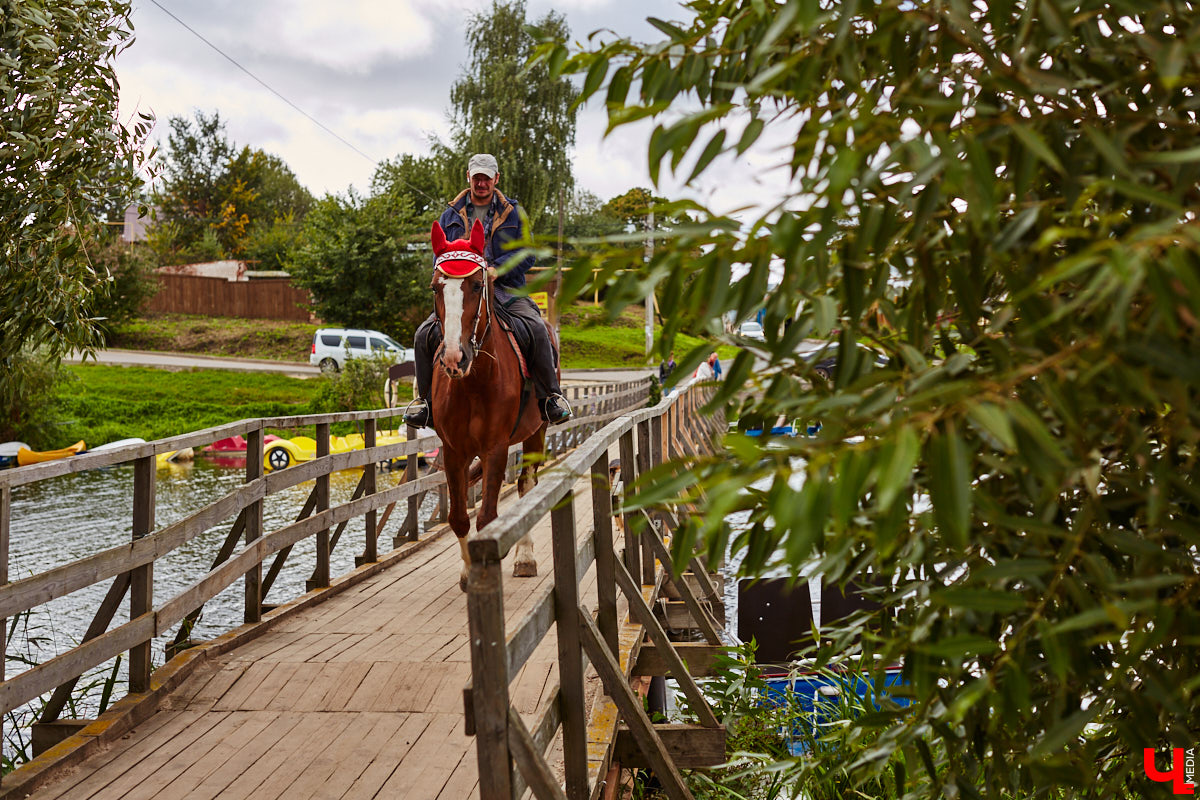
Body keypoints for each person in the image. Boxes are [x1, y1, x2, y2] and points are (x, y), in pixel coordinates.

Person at [405, 154, 571, 429]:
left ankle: (549, 399)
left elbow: (527, 254)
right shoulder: (450, 214)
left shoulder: (515, 213)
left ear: (496, 179)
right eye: (476, 177)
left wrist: (498, 270)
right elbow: (440, 255)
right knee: (423, 333)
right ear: (468, 177)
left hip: (507, 289)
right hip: (464, 291)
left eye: (486, 178)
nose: (481, 183)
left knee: (538, 329)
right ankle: (425, 404)